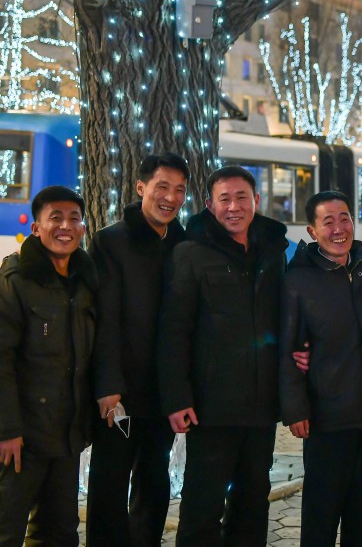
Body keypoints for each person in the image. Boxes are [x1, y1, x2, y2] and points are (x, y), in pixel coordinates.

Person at [157, 166, 287, 546]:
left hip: (261, 406)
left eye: (241, 197)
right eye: (224, 199)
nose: (234, 206)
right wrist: (177, 397)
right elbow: (173, 331)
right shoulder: (191, 254)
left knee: (252, 505)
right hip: (210, 406)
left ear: (256, 201)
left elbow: (285, 317)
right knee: (202, 507)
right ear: (210, 205)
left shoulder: (273, 250)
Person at [86, 153, 190, 546]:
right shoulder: (111, 240)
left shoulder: (183, 242)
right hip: (121, 392)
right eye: (162, 187)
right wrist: (107, 385)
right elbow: (106, 320)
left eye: (179, 190)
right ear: (141, 187)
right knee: (110, 483)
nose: (170, 198)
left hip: (164, 391)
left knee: (153, 479)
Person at [279, 191, 362, 546]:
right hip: (325, 420)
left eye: (345, 219)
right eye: (328, 222)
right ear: (312, 231)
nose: (339, 229)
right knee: (321, 518)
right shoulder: (299, 280)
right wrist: (295, 408)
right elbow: (289, 348)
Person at [0, 186, 97, 545]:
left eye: (74, 218)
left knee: (59, 532)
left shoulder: (87, 281)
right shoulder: (16, 280)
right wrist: (7, 430)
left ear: (83, 229)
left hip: (66, 435)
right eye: (55, 217)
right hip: (20, 437)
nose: (65, 226)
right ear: (37, 228)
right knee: (6, 528)